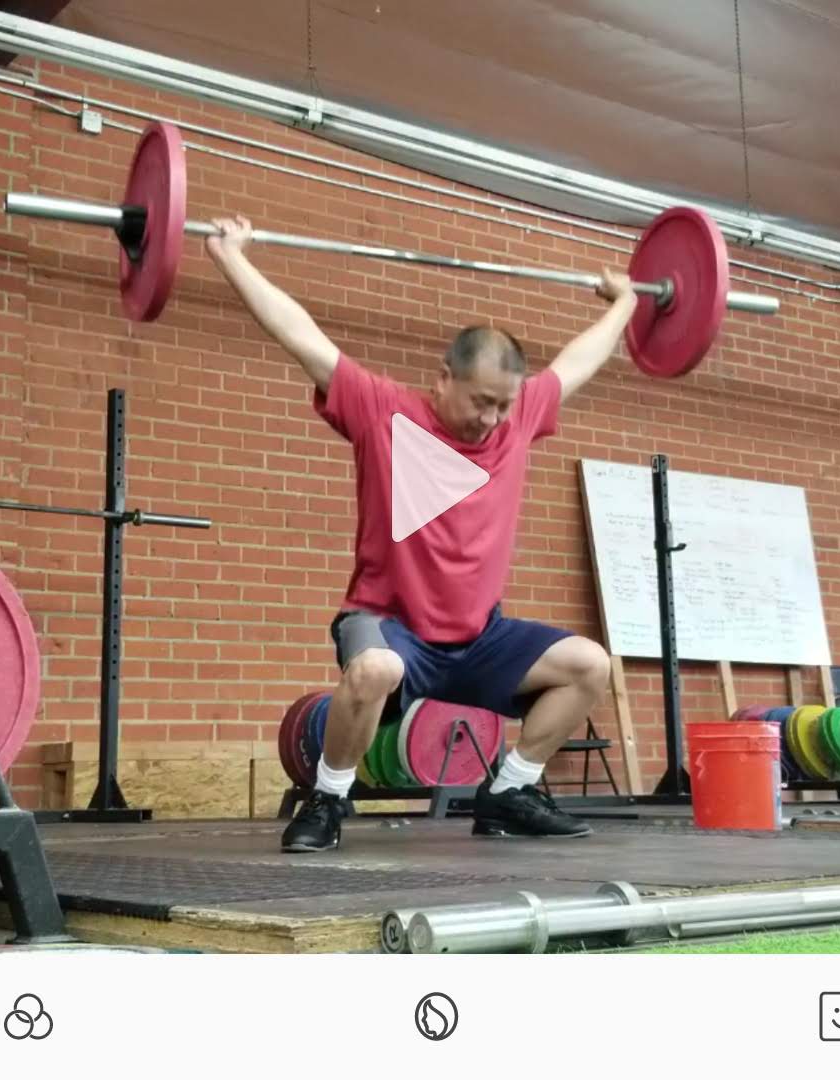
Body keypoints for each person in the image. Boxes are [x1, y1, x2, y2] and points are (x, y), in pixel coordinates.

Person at [204, 215, 632, 853]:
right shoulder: (383, 412)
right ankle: (328, 799)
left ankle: (509, 791)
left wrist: (624, 303)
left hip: (479, 639)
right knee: (373, 668)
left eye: (504, 405)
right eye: (480, 401)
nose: (492, 418)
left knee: (589, 665)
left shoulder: (519, 418)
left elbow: (578, 361)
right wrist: (230, 255)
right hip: (390, 626)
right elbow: (300, 335)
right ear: (443, 379)